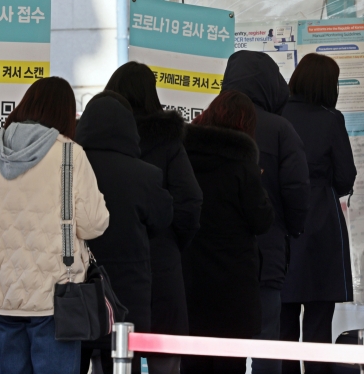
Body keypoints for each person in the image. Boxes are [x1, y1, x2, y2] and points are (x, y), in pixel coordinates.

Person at [0, 77, 109, 374]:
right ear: (65, 113)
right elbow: (94, 224)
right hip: (53, 296)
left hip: (0, 295)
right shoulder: (70, 154)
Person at [105, 61, 203, 373]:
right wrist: (172, 240)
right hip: (160, 261)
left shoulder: (94, 141)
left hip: (107, 263)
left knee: (111, 350)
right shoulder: (169, 140)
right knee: (165, 351)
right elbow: (190, 201)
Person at [222, 50, 310, 374]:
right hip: (266, 254)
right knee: (266, 343)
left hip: (213, 261)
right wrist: (293, 230)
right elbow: (297, 192)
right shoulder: (280, 129)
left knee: (219, 344)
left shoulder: (205, 124)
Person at [75, 91, 174, 374]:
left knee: (73, 360)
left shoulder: (69, 169)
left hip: (77, 291)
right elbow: (163, 217)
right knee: (120, 365)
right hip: (127, 295)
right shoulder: (145, 174)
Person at [181, 90, 274, 373]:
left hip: (190, 279)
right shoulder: (243, 166)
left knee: (192, 361)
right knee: (229, 364)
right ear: (245, 126)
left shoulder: (183, 157)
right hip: (233, 286)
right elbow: (262, 221)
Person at [280, 53, 357, 374]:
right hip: (322, 225)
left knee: (280, 323)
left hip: (281, 225)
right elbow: (345, 176)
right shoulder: (331, 119)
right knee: (317, 325)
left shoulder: (276, 115)